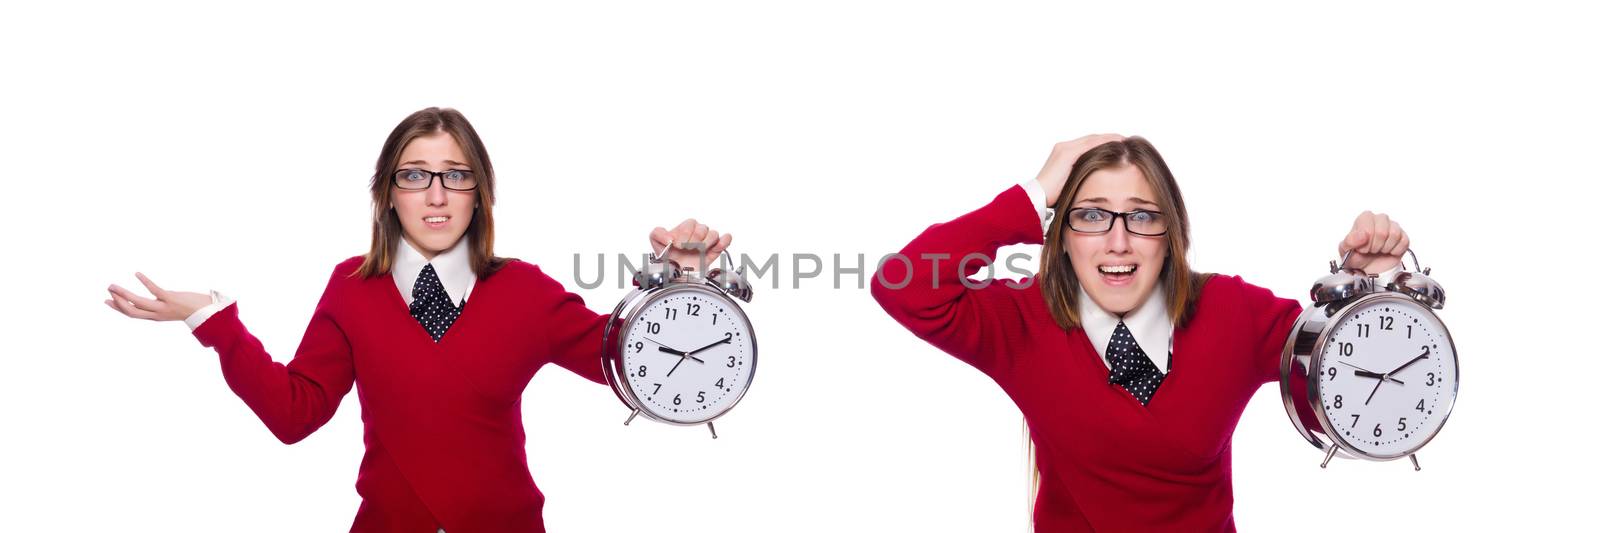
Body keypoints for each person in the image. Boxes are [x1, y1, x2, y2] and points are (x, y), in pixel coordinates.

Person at [103, 107, 733, 532]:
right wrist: (213, 321)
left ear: (480, 192)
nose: (436, 194)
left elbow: (630, 362)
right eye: (415, 175)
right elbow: (296, 414)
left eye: (455, 175)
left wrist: (678, 281)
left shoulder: (522, 291)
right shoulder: (352, 287)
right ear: (388, 192)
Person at [870, 134, 1409, 531]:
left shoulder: (1230, 311)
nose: (1118, 242)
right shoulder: (1026, 323)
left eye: (1142, 217)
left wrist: (1367, 286)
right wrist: (1032, 195)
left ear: (1170, 235)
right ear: (1059, 238)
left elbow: (1357, 370)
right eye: (1091, 216)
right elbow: (901, 283)